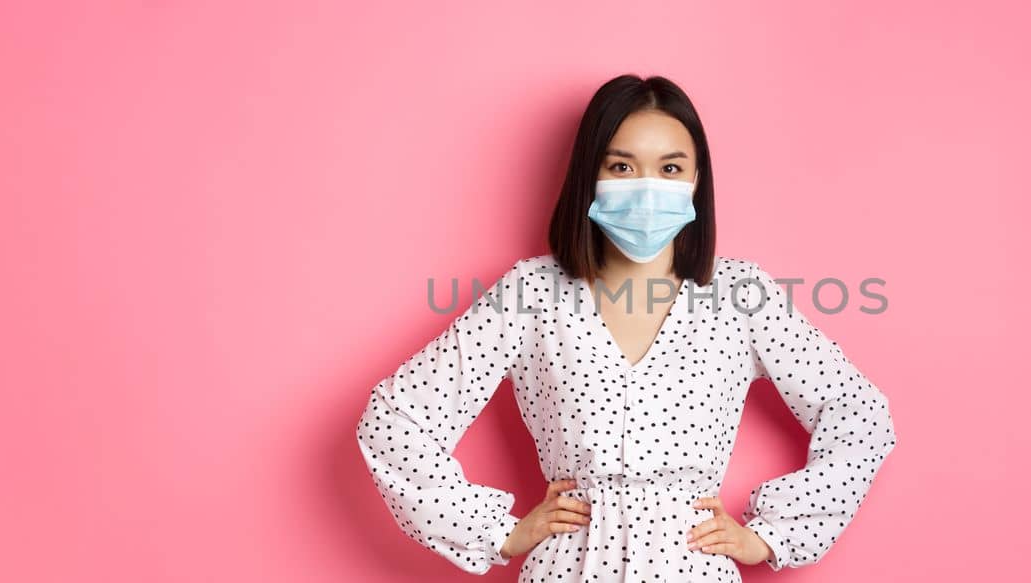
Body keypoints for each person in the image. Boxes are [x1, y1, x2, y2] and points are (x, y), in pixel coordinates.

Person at [355, 74, 898, 581]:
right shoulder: (531, 293)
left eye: (669, 169)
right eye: (621, 167)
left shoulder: (740, 295)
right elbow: (396, 419)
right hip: (569, 566)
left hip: (693, 568)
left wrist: (774, 534)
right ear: (589, 174)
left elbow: (859, 412)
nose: (646, 188)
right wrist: (494, 531)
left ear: (696, 179)